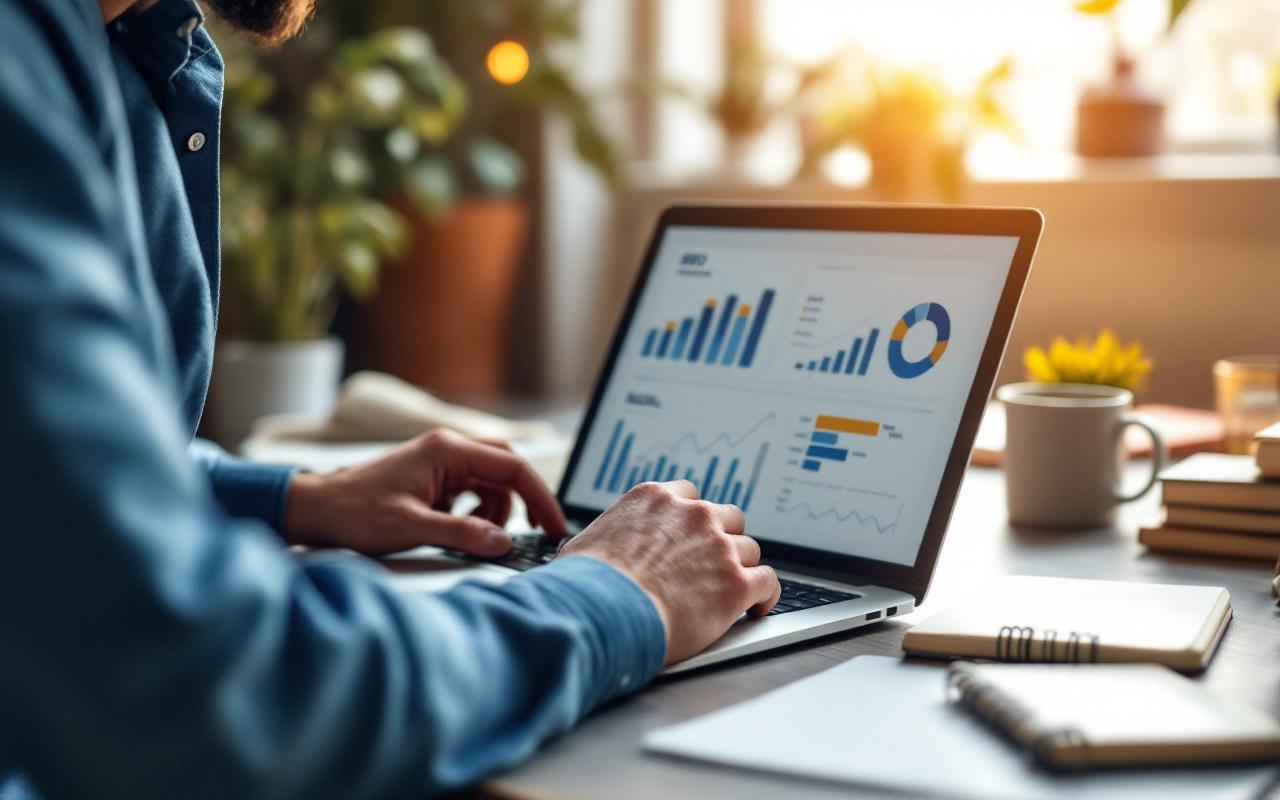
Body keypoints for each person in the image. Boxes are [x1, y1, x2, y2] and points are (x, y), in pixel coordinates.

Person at [0, 0, 782, 797]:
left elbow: (37, 499)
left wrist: (296, 499)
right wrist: (621, 596)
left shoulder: (117, 46)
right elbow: (213, 695)